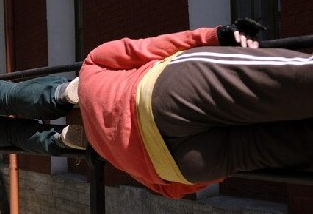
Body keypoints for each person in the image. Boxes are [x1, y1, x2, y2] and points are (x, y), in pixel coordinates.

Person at [78, 18, 313, 199]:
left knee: (295, 144)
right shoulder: (89, 67)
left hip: (177, 164)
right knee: (292, 79)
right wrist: (216, 35)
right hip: (163, 95)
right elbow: (146, 49)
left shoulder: (104, 149)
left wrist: (205, 175)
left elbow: (171, 191)